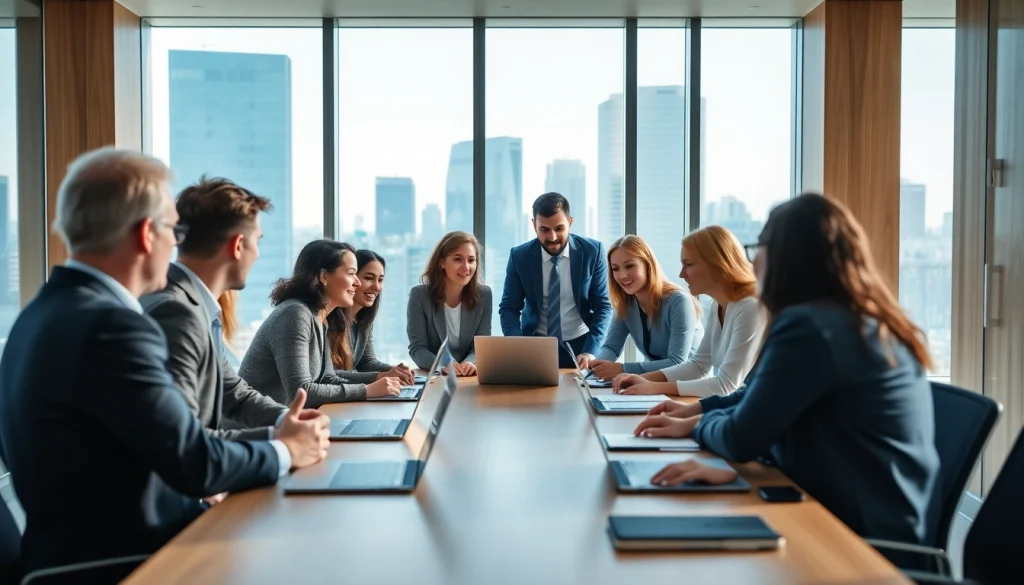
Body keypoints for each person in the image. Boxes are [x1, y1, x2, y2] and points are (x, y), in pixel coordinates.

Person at [0, 148, 330, 575]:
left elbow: (157, 446)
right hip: (124, 562)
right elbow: (193, 461)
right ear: (145, 234)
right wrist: (285, 450)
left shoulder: (42, 312)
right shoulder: (112, 327)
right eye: (173, 230)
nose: (178, 243)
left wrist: (277, 436)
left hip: (90, 547)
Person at [633, 193, 940, 545]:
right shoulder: (851, 319)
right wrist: (697, 415)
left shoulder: (810, 327)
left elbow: (739, 438)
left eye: (758, 246)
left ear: (784, 255)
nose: (753, 259)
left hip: (859, 538)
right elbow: (762, 397)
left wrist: (696, 427)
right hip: (862, 512)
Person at [141, 176, 291, 440]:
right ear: (236, 246)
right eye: (257, 241)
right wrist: (281, 441)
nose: (257, 253)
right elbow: (182, 439)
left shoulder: (196, 305)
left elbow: (233, 393)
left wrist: (289, 418)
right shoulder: (176, 313)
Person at [239, 239, 402, 407]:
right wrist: (367, 390)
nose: (357, 282)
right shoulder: (294, 314)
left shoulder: (318, 317)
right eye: (351, 273)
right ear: (324, 276)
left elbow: (327, 378)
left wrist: (376, 383)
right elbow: (300, 391)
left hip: (286, 421)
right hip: (254, 428)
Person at [612, 225, 765, 397]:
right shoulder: (718, 305)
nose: (681, 274)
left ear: (716, 264)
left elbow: (725, 385)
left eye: (688, 264)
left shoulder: (749, 307)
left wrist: (654, 387)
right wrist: (642, 379)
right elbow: (698, 365)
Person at [499, 192, 612, 368]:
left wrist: (591, 351)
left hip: (581, 348)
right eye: (544, 229)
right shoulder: (519, 256)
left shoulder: (593, 252)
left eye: (559, 228)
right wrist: (518, 346)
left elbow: (603, 306)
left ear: (570, 223)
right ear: (534, 225)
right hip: (534, 348)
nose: (552, 237)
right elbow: (509, 308)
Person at [576, 235, 704, 379]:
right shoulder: (626, 304)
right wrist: (595, 365)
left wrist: (622, 369)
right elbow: (611, 347)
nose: (622, 275)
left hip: (690, 389)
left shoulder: (679, 301)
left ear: (647, 265)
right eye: (615, 269)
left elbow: (677, 362)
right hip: (654, 385)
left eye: (629, 266)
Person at [407, 231, 492, 376]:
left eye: (471, 260)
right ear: (442, 262)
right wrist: (443, 364)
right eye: (458, 259)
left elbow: (481, 345)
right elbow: (418, 348)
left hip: (469, 378)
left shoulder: (484, 295)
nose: (466, 267)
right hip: (438, 377)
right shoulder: (420, 295)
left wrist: (471, 362)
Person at [334, 250, 413, 385]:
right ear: (353, 279)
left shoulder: (364, 320)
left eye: (380, 280)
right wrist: (381, 376)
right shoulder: (330, 320)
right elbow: (330, 375)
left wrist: (394, 371)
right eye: (369, 278)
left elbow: (366, 362)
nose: (376, 287)